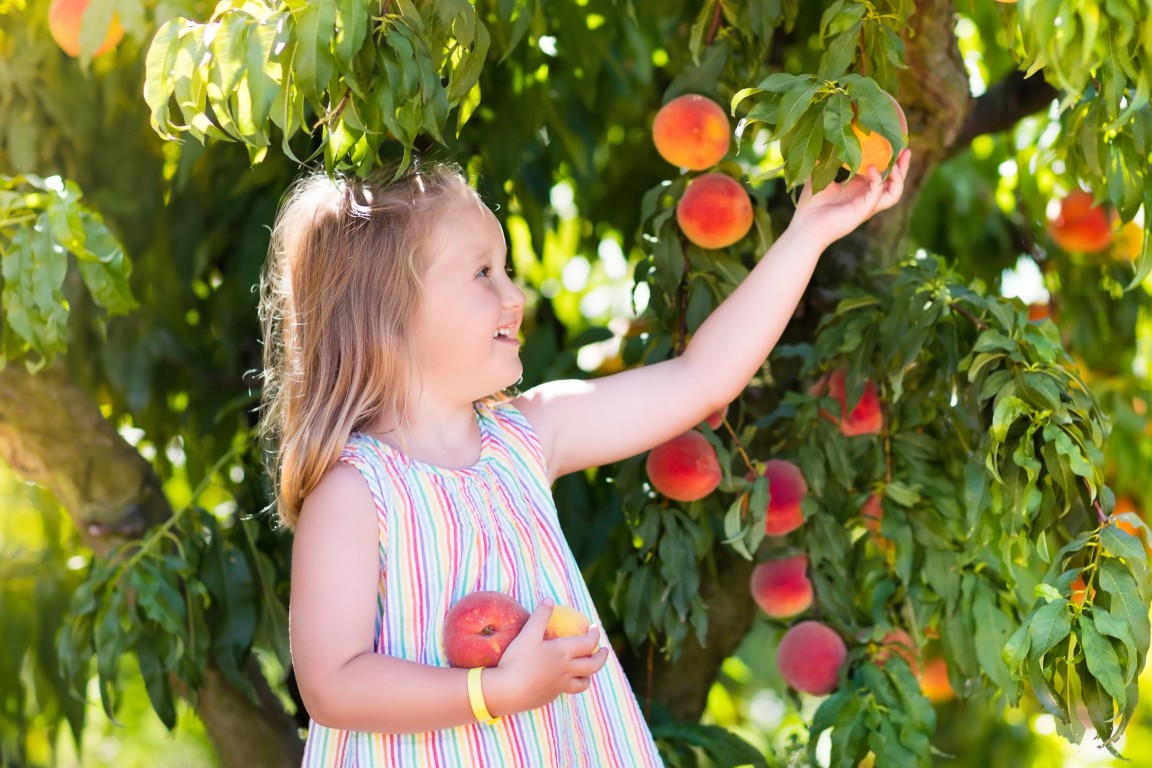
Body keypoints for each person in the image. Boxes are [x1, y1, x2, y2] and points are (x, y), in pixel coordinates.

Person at [259, 150, 910, 766]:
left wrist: (808, 233)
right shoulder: (354, 494)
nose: (515, 296)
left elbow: (702, 377)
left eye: (506, 269)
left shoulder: (527, 437)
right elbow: (332, 685)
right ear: (387, 317)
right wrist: (493, 693)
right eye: (483, 273)